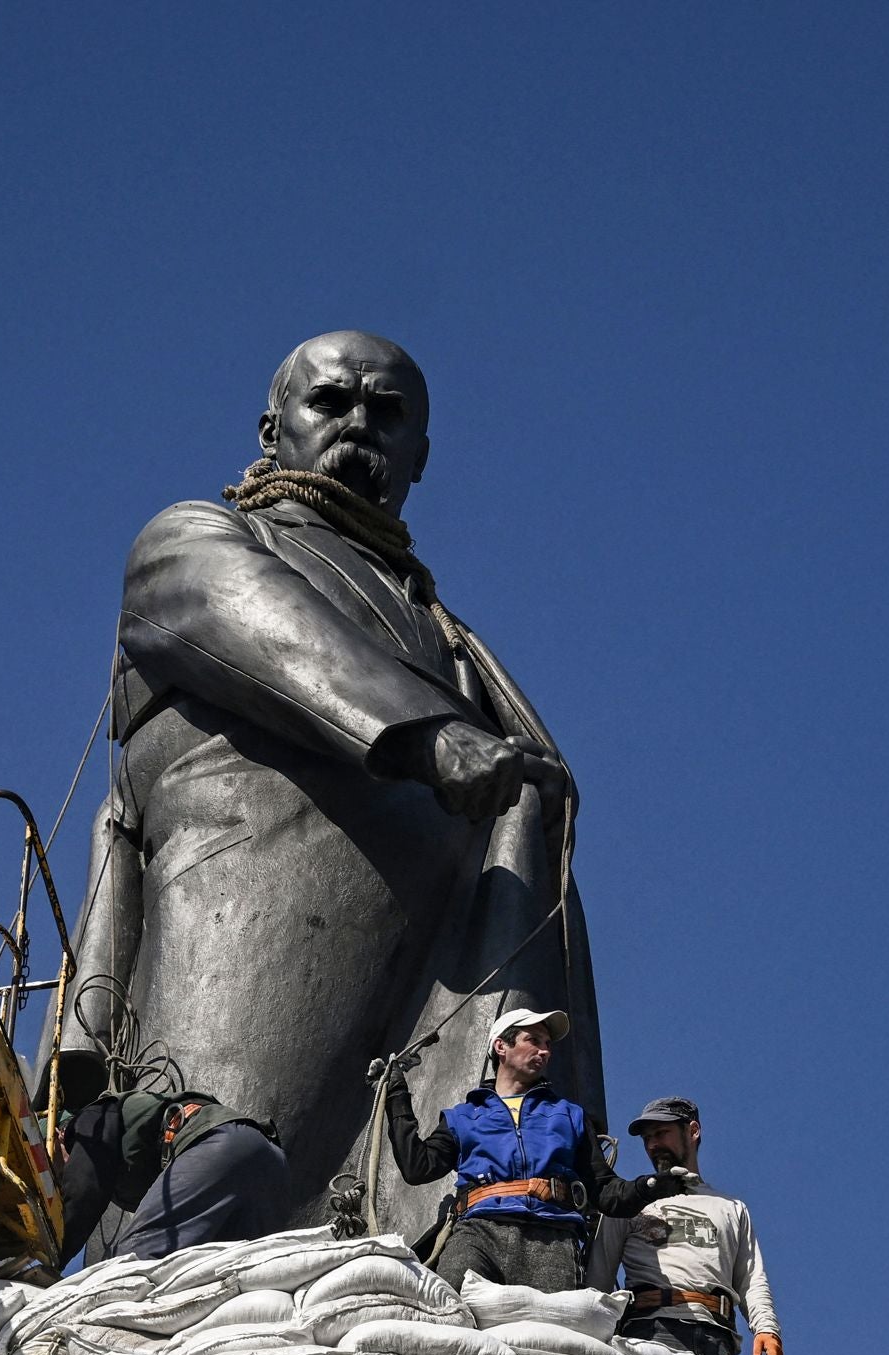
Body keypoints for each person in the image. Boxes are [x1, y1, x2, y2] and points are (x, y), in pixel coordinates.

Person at [48, 331, 603, 1255]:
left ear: (419, 455)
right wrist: (429, 735)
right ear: (275, 428)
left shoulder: (442, 627)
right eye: (331, 403)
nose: (359, 426)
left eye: (387, 415)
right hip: (249, 915)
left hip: (434, 960)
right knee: (224, 1157)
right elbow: (230, 608)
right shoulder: (203, 535)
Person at [384, 1007, 670, 1290]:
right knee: (451, 1316)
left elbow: (604, 1191)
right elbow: (417, 1167)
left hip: (553, 1238)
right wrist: (396, 1095)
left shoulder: (571, 1116)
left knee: (553, 1333)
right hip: (478, 1233)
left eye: (547, 1044)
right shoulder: (463, 1117)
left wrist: (649, 1186)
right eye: (533, 1040)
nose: (545, 1051)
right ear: (501, 1047)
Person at [593, 1097, 786, 1355]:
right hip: (651, 1330)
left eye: (661, 1133)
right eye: (647, 1138)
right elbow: (598, 1280)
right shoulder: (631, 1202)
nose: (653, 1144)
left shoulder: (730, 1208)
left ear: (692, 1131)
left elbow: (751, 1278)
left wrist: (766, 1329)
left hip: (717, 1336)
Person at [53, 1084, 289, 1266]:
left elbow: (83, 1190)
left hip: (218, 1146)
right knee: (234, 1279)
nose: (59, 1177)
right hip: (270, 1164)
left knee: (130, 1263)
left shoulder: (89, 1121)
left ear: (58, 1134)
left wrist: (51, 1260)